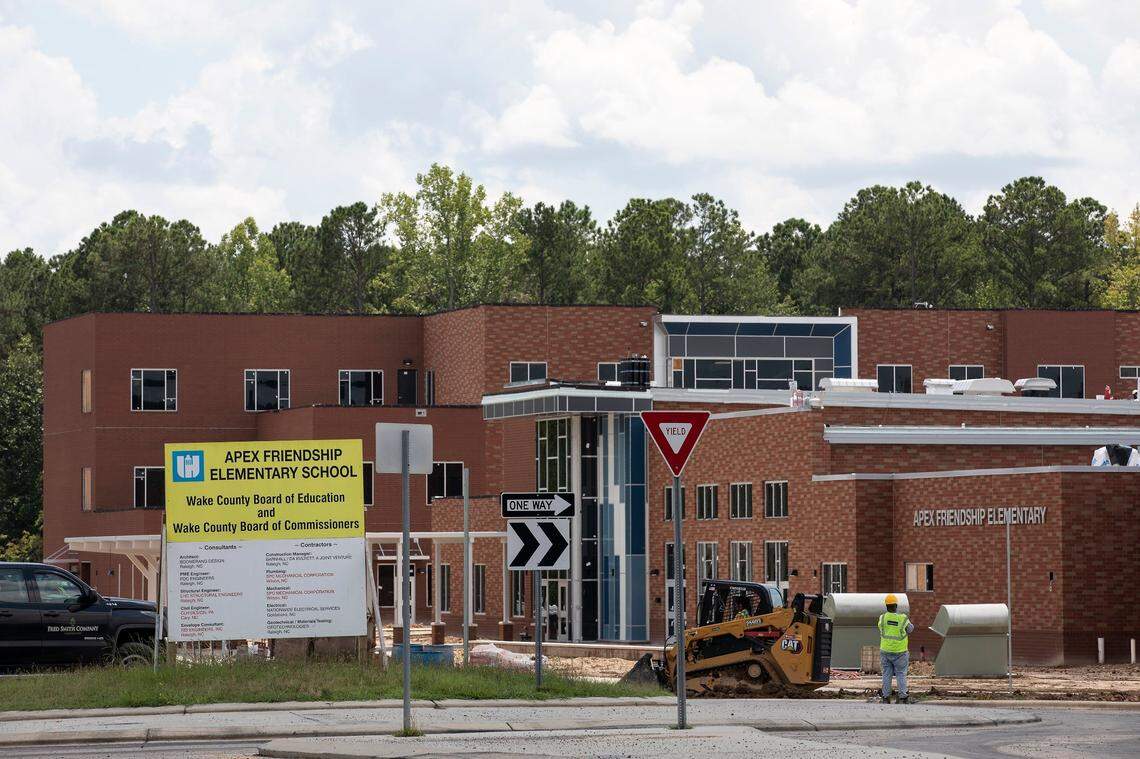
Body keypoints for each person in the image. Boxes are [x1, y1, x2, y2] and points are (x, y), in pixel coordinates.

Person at [878, 593, 914, 704]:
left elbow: (881, 628)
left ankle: (885, 697)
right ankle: (903, 697)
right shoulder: (902, 618)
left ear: (886, 606)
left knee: (886, 674)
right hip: (900, 652)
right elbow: (910, 629)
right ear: (896, 606)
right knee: (901, 674)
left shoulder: (882, 618)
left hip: (885, 651)